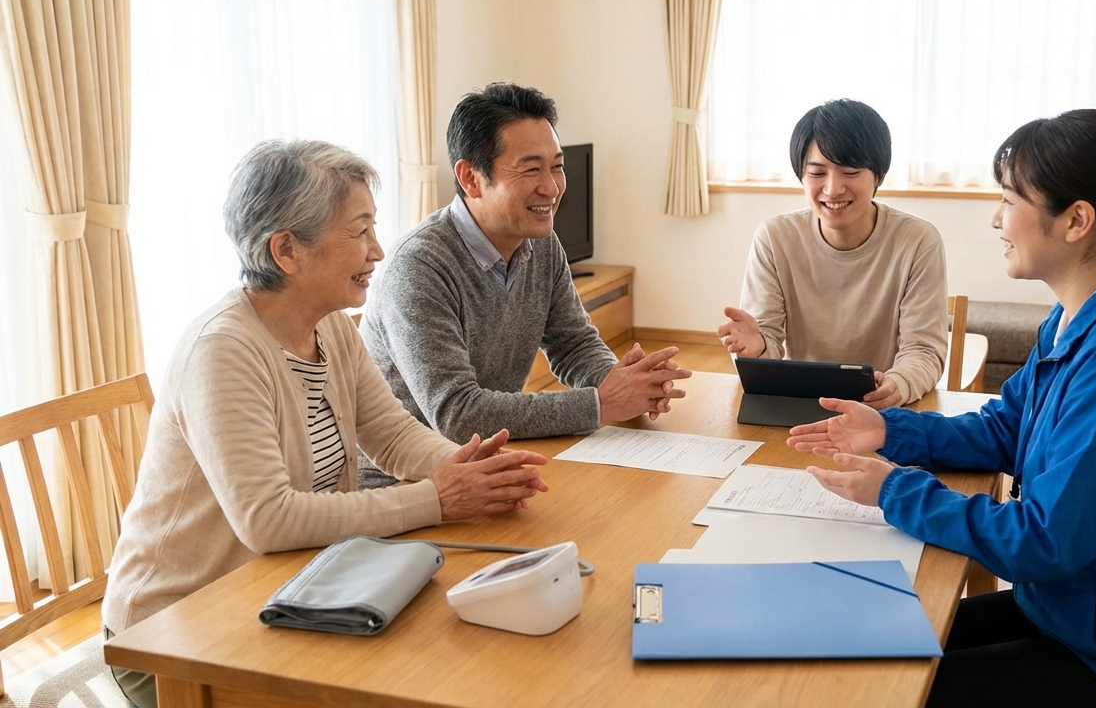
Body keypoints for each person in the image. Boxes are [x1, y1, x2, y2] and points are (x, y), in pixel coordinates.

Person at [787, 110, 1096, 707]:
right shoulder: (1079, 318)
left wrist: (894, 491)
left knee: (884, 687)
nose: (997, 220)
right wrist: (888, 429)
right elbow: (1007, 426)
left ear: (1077, 220)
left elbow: (1043, 542)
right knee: (866, 641)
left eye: (1009, 200)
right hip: (1075, 615)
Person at [102, 140, 549, 708]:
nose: (379, 250)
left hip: (290, 589)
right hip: (175, 634)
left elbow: (389, 433)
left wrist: (470, 471)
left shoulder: (330, 326)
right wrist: (437, 499)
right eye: (359, 232)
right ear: (287, 250)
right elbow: (268, 520)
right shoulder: (223, 351)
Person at [361, 83, 691, 473]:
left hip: (491, 462)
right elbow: (457, 414)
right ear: (470, 178)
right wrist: (602, 403)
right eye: (531, 168)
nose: (551, 187)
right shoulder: (418, 267)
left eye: (557, 166)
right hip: (407, 484)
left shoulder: (542, 243)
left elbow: (573, 344)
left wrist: (626, 383)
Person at [716, 99, 947, 409]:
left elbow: (923, 350)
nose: (833, 189)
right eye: (817, 173)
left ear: (878, 176)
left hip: (882, 408)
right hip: (802, 403)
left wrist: (899, 384)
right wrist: (756, 349)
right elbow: (765, 340)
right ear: (801, 175)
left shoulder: (918, 241)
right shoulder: (775, 238)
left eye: (850, 172)